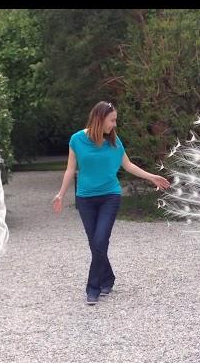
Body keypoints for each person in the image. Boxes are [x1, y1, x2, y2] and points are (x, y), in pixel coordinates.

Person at [52, 101, 170, 305]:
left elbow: (128, 165)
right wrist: (61, 195)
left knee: (99, 241)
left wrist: (151, 177)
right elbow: (70, 169)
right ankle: (108, 278)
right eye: (112, 120)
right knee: (95, 243)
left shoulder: (115, 141)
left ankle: (93, 288)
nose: (115, 124)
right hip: (85, 199)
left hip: (109, 197)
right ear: (100, 119)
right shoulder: (77, 139)